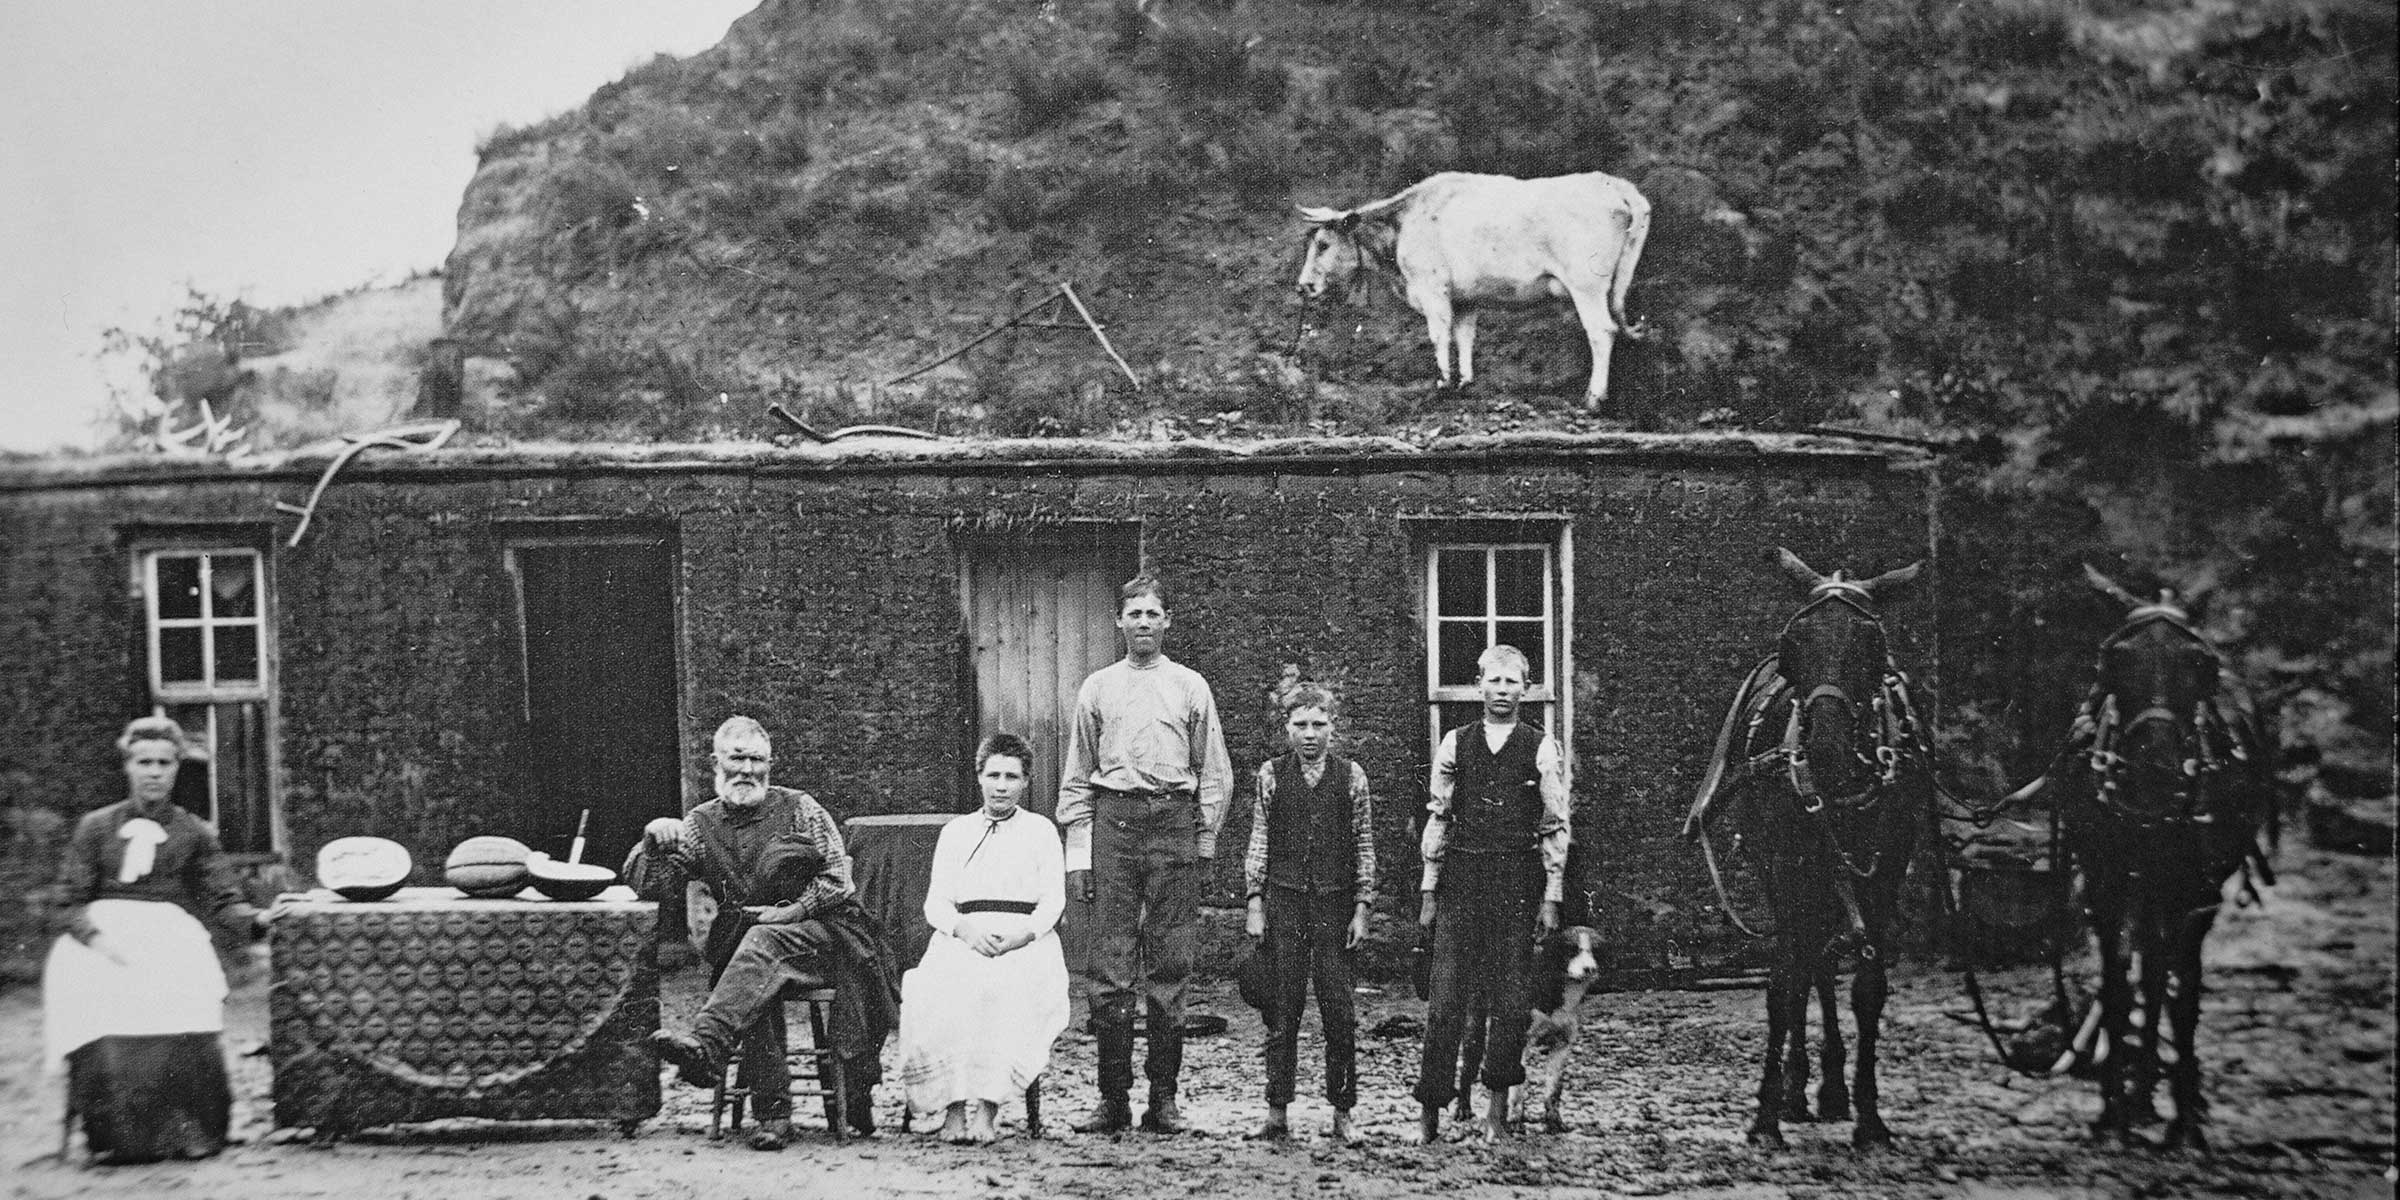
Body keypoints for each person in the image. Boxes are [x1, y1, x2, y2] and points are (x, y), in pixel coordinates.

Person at [631, 715, 900, 1150]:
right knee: (754, 961)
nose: (746, 770)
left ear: (770, 763)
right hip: (757, 948)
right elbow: (652, 887)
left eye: (756, 759)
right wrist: (651, 842)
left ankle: (708, 1045)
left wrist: (792, 911)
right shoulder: (700, 824)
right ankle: (773, 1118)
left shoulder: (800, 808)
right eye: (737, 758)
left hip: (828, 936)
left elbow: (837, 880)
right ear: (716, 762)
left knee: (758, 943)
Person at [1055, 573, 1233, 1135]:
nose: (1144, 624)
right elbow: (1078, 776)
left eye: (1153, 614)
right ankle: (1112, 1099)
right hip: (1115, 823)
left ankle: (1164, 1097)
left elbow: (1216, 773)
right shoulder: (1098, 687)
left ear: (1166, 621)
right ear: (1120, 623)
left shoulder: (1189, 686)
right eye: (1134, 615)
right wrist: (1079, 856)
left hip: (1173, 823)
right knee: (1109, 967)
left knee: (1170, 966)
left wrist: (1202, 840)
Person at [44, 715, 267, 1163]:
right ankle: (117, 1136)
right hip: (100, 938)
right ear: (127, 766)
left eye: (164, 763)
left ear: (177, 768)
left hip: (170, 939)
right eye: (143, 761)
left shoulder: (195, 833)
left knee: (186, 989)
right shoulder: (97, 828)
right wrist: (98, 941)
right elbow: (67, 901)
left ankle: (191, 1131)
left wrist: (261, 921)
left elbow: (224, 899)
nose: (154, 772)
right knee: (101, 994)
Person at [1415, 644, 1572, 1144]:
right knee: (1445, 1002)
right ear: (1478, 685)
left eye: (1513, 683)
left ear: (1526, 688)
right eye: (1494, 681)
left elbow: (1554, 824)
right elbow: (1439, 818)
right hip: (1463, 880)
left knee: (1509, 1002)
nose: (1502, 692)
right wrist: (1429, 888)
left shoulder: (1542, 747)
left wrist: (1551, 893)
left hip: (1516, 885)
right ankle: (1430, 1115)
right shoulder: (1455, 744)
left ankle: (1497, 1114)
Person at [894, 733, 1071, 1144]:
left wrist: (1019, 937)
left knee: (1001, 990)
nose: (1001, 785)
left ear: (1026, 782)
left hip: (1025, 941)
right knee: (937, 988)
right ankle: (954, 1110)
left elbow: (1052, 902)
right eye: (993, 775)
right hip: (963, 936)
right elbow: (936, 903)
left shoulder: (1041, 831)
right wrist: (965, 930)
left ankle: (988, 1111)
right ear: (979, 777)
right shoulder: (956, 832)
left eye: (1012, 776)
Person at [1242, 684, 1375, 1146]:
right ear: (1287, 729)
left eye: (1319, 725)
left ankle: (1343, 1113)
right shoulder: (1271, 775)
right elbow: (1259, 839)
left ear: (1333, 728)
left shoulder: (1352, 776)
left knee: (1339, 1011)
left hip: (1335, 907)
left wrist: (1362, 907)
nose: (1310, 734)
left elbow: (1363, 844)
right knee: (1283, 1009)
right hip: (1285, 903)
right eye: (1301, 725)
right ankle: (1277, 1112)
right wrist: (1255, 901)